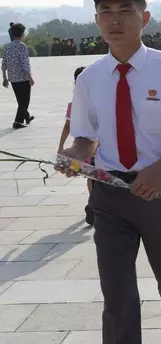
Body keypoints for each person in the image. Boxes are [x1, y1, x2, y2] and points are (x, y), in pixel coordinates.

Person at [59, 0, 161, 344]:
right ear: (96, 21)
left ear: (146, 16)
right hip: (109, 195)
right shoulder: (89, 79)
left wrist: (160, 169)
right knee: (117, 290)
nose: (115, 19)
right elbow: (86, 139)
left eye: (126, 9)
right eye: (106, 11)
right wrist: (75, 155)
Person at [58, 66, 95, 226]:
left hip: (89, 149)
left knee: (92, 176)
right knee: (93, 175)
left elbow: (67, 126)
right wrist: (61, 149)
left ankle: (93, 203)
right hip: (88, 149)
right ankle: (94, 204)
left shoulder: (74, 104)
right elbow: (67, 126)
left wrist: (61, 147)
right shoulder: (77, 104)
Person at [2, 23, 35, 129]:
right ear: (21, 34)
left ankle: (26, 117)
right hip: (23, 78)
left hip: (13, 78)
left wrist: (5, 78)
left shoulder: (7, 46)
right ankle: (17, 122)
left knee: (21, 100)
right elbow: (25, 64)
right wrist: (30, 77)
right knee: (24, 101)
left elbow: (4, 64)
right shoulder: (22, 46)